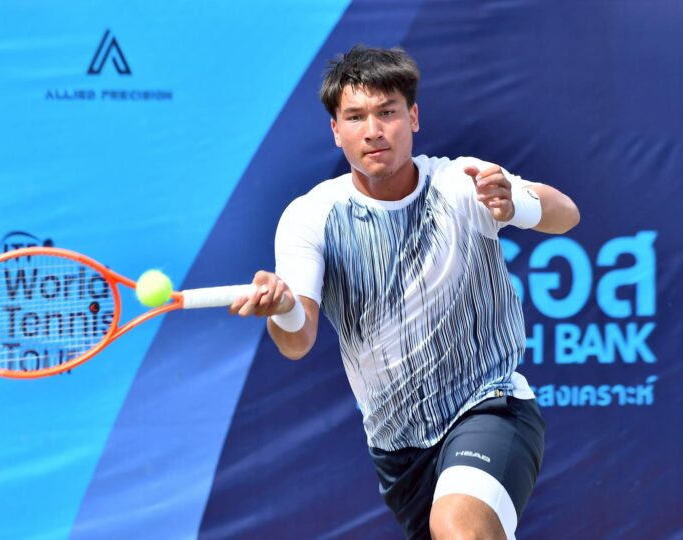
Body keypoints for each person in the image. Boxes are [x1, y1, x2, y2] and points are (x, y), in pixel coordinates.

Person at [229, 45, 580, 540]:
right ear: (336, 130)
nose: (373, 130)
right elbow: (296, 341)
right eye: (355, 117)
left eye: (387, 112)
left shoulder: (461, 183)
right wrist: (283, 308)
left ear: (413, 117)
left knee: (459, 529)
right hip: (397, 451)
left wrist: (515, 204)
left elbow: (567, 214)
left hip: (491, 405)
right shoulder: (310, 218)